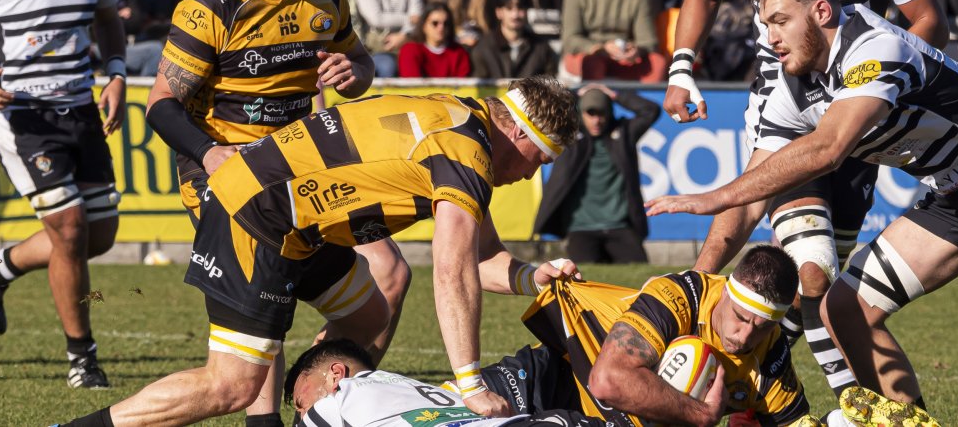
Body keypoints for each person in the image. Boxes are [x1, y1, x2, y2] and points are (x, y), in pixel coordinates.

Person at [648, 0, 958, 427]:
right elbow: (750, 198)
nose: (770, 37)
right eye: (765, 25)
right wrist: (693, 287)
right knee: (844, 308)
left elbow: (828, 148)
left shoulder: (875, 46)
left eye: (780, 20)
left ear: (822, 11)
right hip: (954, 191)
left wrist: (717, 196)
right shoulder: (790, 90)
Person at [59, 77, 584, 427]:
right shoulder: (467, 153)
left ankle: (314, 418)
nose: (530, 175)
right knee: (231, 386)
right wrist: (470, 384)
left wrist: (532, 276)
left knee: (368, 314)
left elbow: (481, 258)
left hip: (298, 218)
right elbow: (451, 273)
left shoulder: (460, 118)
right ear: (517, 132)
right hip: (259, 215)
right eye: (538, 160)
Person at [663, 0, 947, 403]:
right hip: (784, 112)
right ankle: (845, 401)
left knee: (811, 290)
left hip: (853, 122)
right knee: (810, 265)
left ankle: (753, 380)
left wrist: (879, 86)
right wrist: (682, 69)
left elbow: (927, 20)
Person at [146, 0, 391, 427]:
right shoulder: (214, 4)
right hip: (224, 175)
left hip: (298, 170)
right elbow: (161, 104)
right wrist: (211, 155)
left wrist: (353, 73)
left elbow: (361, 65)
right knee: (267, 309)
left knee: (384, 290)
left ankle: (316, 396)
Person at [0, 0, 127, 390]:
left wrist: (116, 72)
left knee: (99, 235)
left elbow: (108, 19)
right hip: (21, 114)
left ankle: (0, 268)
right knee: (69, 228)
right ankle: (82, 359)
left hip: (81, 107)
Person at [526, 244, 918, 427]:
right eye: (741, 318)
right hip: (551, 377)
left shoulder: (770, 357)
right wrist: (702, 414)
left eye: (763, 326)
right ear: (726, 291)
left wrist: (836, 424)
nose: (745, 336)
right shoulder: (680, 296)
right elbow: (608, 380)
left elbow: (792, 423)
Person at [286, 339, 608, 427]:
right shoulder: (404, 391)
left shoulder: (338, 402)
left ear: (336, 374)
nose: (299, 415)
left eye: (300, 401)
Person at [535, 85, 659, 264]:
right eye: (590, 114)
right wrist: (575, 95)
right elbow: (543, 112)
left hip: (620, 226)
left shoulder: (624, 133)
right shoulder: (569, 135)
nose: (596, 121)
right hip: (580, 228)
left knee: (640, 272)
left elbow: (651, 110)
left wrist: (616, 95)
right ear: (581, 113)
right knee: (583, 275)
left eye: (601, 114)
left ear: (609, 113)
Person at [471, 0, 558, 80]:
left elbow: (550, 82)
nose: (515, 15)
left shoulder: (541, 48)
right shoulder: (483, 48)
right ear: (499, 12)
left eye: (520, 8)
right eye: (509, 8)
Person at [398, 3, 473, 79]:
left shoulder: (459, 53)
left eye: (446, 23)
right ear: (424, 26)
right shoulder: (410, 50)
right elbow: (411, 84)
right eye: (435, 23)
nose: (441, 28)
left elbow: (463, 84)